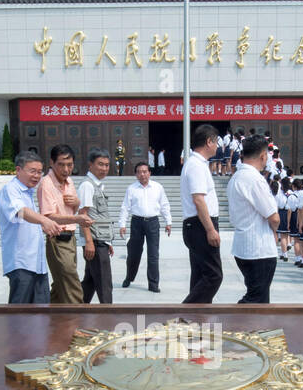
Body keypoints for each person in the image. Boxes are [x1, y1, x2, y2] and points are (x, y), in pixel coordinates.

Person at [0, 152, 74, 303]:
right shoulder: (10, 190)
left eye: (40, 172)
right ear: (18, 170)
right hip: (21, 263)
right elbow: (21, 211)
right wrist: (44, 221)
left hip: (37, 263)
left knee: (42, 313)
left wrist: (46, 226)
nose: (37, 176)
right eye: (32, 171)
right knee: (20, 313)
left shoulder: (28, 193)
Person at [227, 134, 280, 303]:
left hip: (244, 246)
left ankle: (256, 328)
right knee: (257, 299)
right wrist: (275, 230)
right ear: (263, 156)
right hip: (258, 248)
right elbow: (274, 216)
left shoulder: (236, 177)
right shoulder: (254, 179)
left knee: (258, 297)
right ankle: (235, 326)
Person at [180, 124, 223, 304]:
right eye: (216, 142)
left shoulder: (197, 164)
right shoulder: (196, 165)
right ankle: (183, 314)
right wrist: (210, 229)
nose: (218, 146)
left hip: (197, 225)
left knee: (200, 276)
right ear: (208, 141)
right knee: (214, 276)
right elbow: (198, 200)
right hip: (200, 225)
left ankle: (195, 320)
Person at [37, 144, 84, 304]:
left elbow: (72, 209)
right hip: (57, 239)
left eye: (69, 165)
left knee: (60, 284)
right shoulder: (46, 184)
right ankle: (79, 322)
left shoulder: (69, 181)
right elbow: (49, 217)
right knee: (71, 282)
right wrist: (77, 219)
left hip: (70, 238)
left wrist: (77, 202)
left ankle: (53, 321)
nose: (66, 169)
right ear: (51, 163)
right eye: (61, 164)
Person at [120, 160, 171, 292]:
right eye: (139, 172)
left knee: (153, 254)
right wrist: (122, 224)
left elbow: (164, 204)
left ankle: (153, 284)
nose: (142, 174)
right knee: (134, 253)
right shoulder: (131, 188)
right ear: (136, 174)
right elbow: (125, 207)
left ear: (149, 173)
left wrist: (168, 222)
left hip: (153, 222)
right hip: (136, 222)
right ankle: (129, 277)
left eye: (144, 171)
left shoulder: (157, 187)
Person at [78, 147, 115, 304]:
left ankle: (77, 311)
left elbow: (99, 216)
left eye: (107, 165)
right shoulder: (88, 185)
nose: (104, 168)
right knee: (104, 284)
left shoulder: (98, 185)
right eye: (100, 164)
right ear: (90, 165)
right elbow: (82, 215)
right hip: (94, 242)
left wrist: (108, 242)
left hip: (100, 240)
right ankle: (109, 318)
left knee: (90, 281)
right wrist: (89, 242)